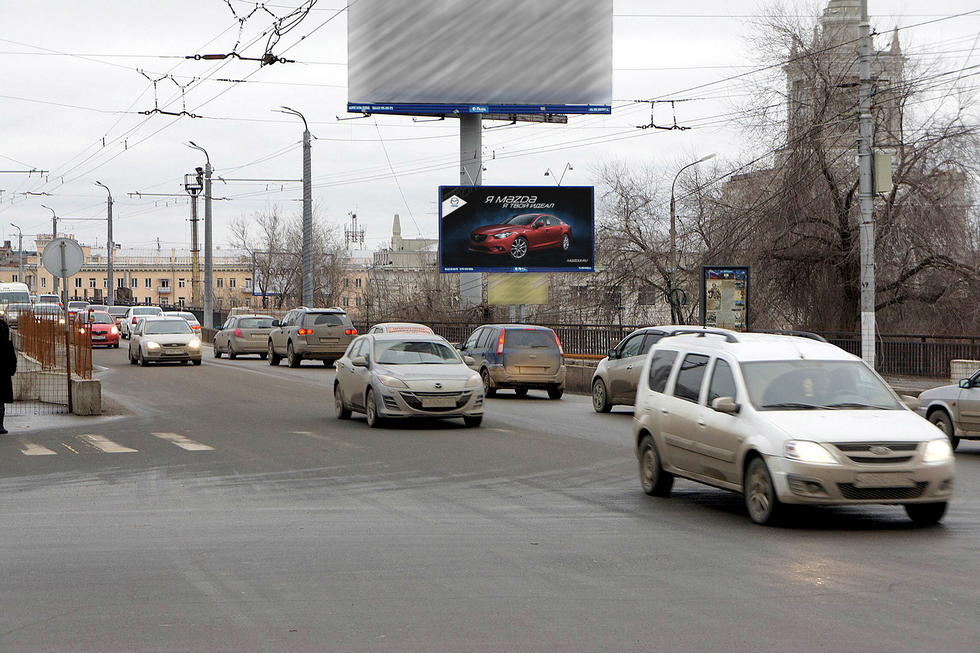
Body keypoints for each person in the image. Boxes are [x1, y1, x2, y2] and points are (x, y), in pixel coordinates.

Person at [0, 319, 16, 434]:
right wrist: (10, 372)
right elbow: (12, 361)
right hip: (3, 376)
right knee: (0, 402)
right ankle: (0, 425)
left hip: (4, 375)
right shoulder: (7, 344)